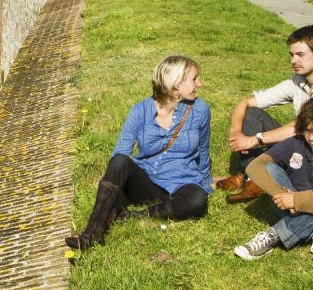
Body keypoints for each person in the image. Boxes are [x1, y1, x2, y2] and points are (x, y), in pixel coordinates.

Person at [65, 55, 212, 251]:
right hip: (146, 182)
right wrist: (119, 180)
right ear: (176, 83)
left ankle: (136, 216)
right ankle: (93, 232)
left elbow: (203, 149)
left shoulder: (200, 110)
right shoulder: (139, 111)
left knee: (198, 199)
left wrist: (207, 183)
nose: (199, 84)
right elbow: (120, 154)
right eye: (194, 79)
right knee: (119, 161)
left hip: (181, 183)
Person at [215, 24, 313, 203]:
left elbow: (302, 127)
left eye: (300, 55)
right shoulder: (297, 82)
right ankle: (251, 177)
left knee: (299, 133)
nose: (293, 60)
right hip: (307, 142)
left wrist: (255, 139)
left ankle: (257, 179)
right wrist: (236, 133)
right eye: (291, 55)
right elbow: (246, 102)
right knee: (251, 113)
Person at [234, 95, 313, 261]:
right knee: (268, 167)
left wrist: (297, 201)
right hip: (293, 208)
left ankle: (274, 235)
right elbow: (254, 167)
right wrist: (281, 194)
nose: (311, 137)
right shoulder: (297, 142)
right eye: (308, 130)